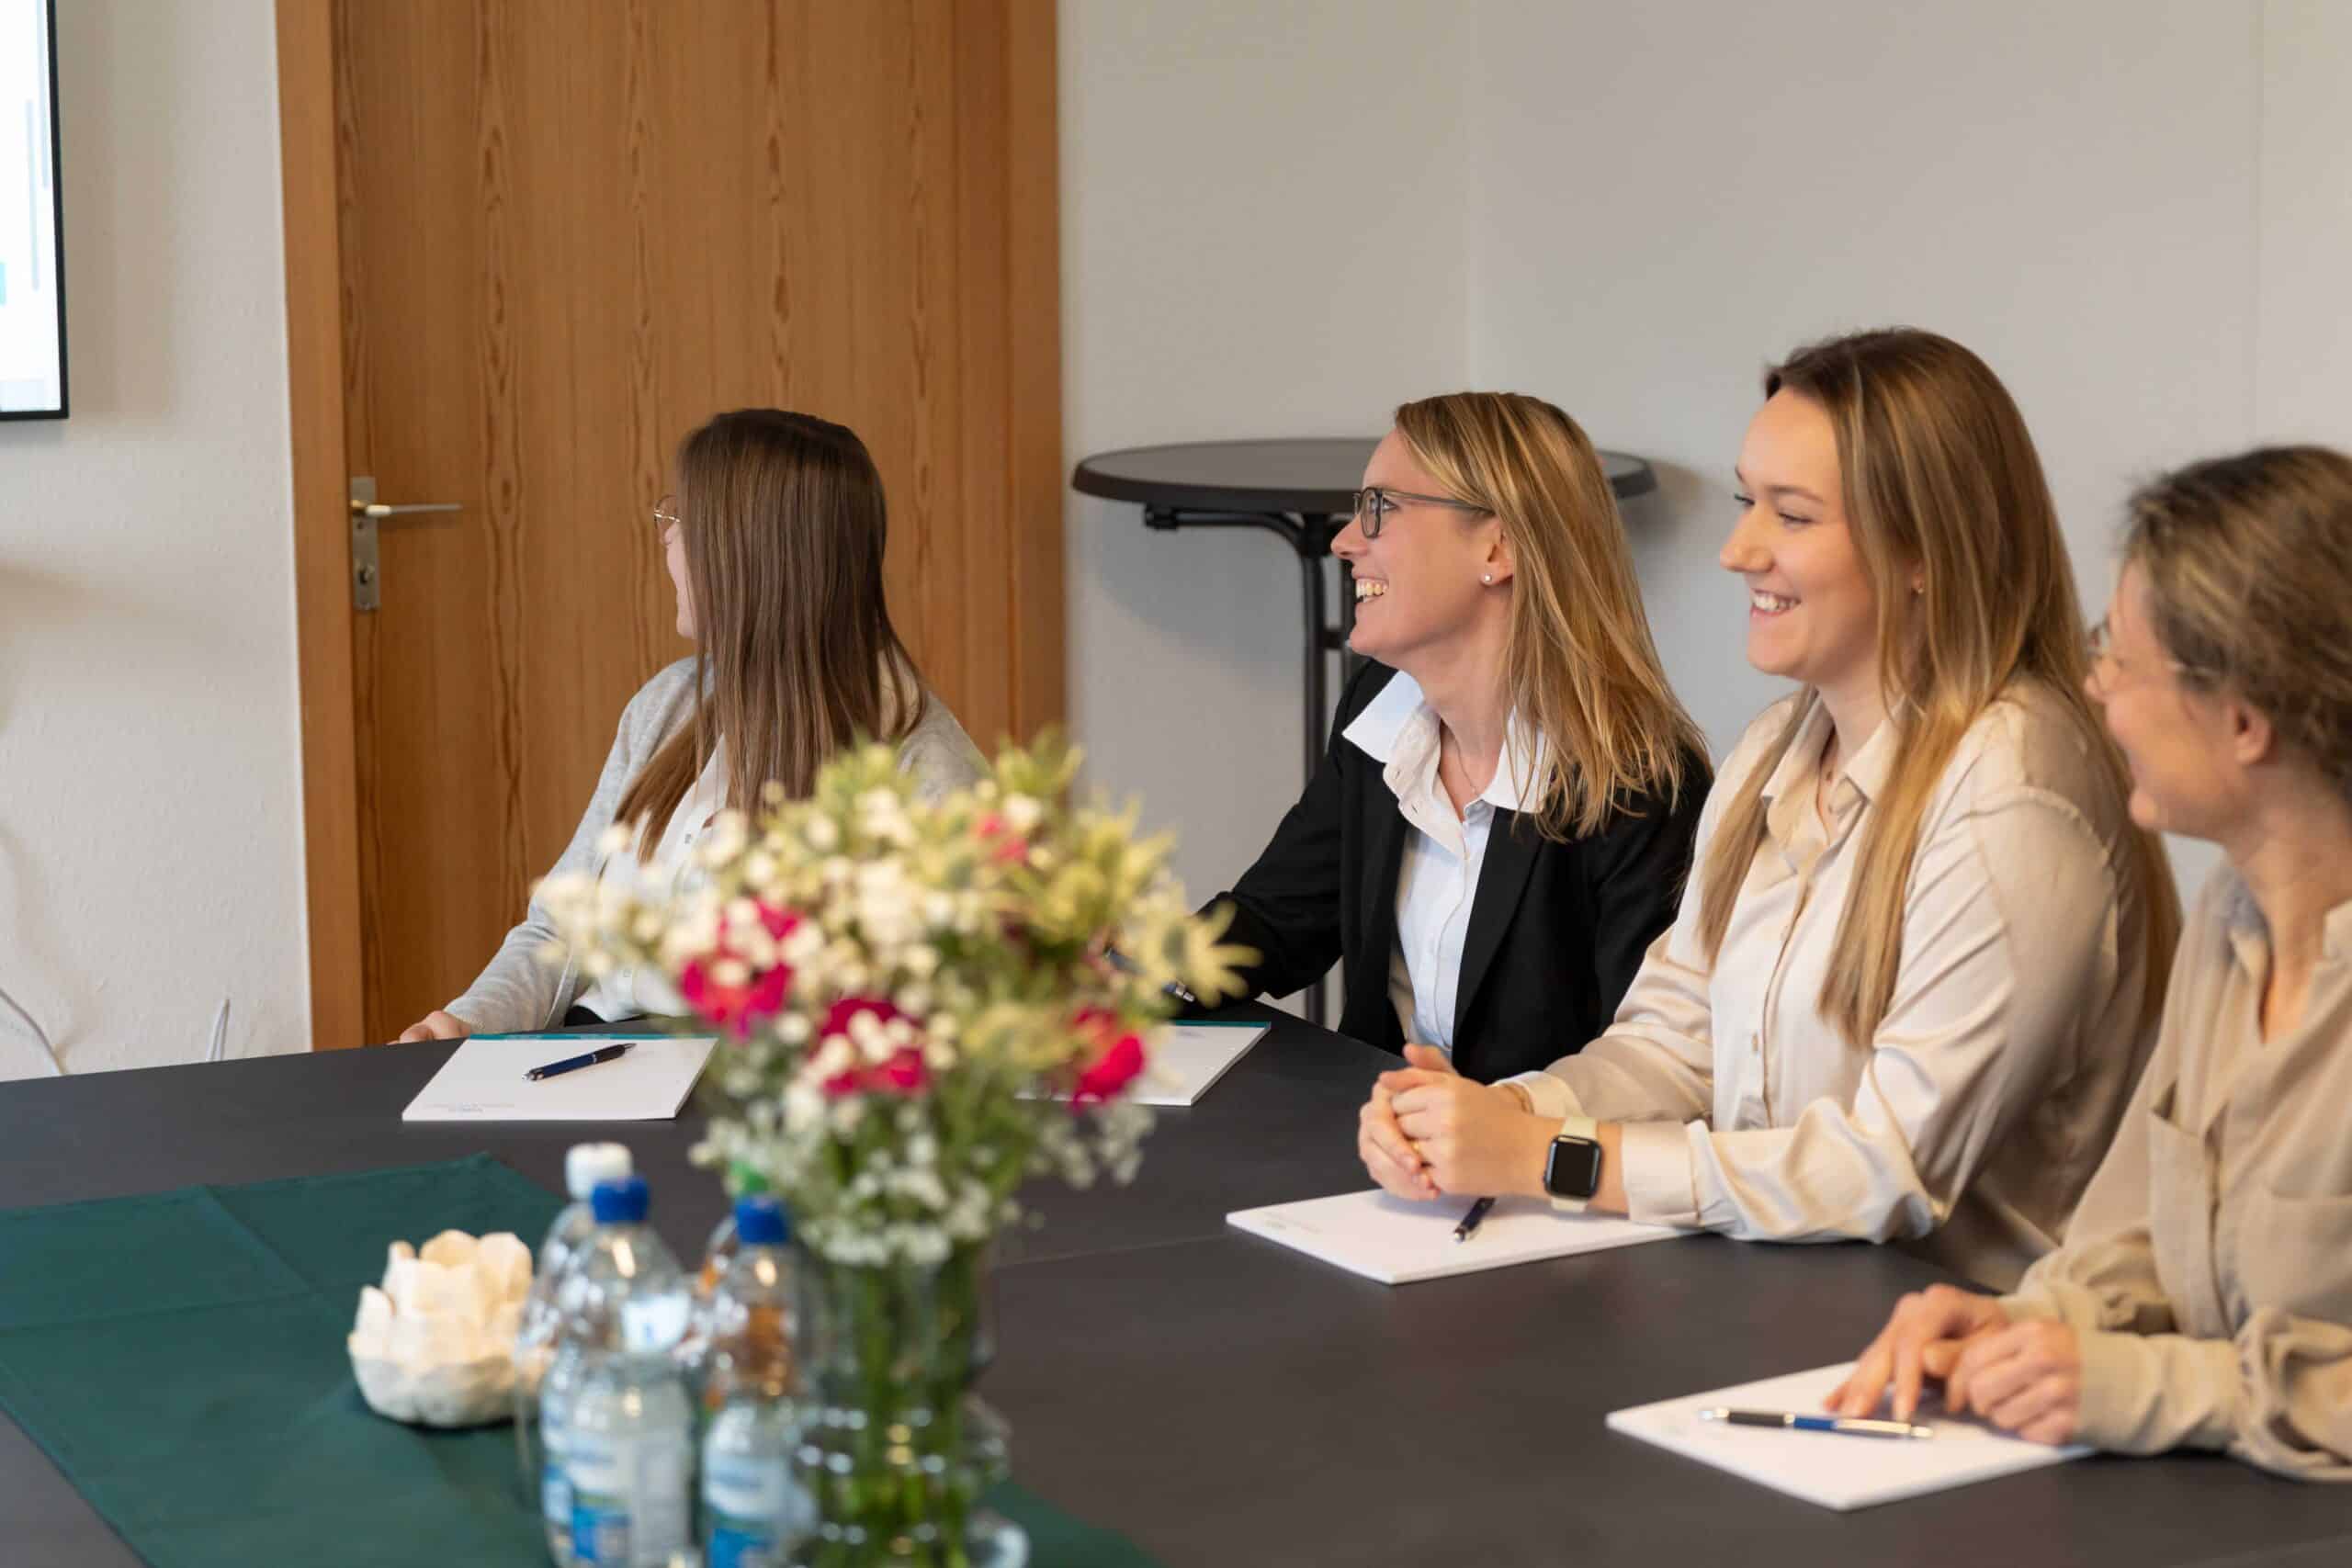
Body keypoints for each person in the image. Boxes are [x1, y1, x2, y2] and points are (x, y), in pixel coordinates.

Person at [1363, 329, 2178, 1290]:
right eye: (1747, 503)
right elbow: (1675, 1042)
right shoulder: (1772, 750)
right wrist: (1497, 1115)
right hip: (1790, 1295)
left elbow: (1885, 1170)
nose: (1736, 551)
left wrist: (1549, 1157)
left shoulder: (2013, 790)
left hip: (1969, 1339)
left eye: (1790, 516)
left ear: (1923, 548)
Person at [1828, 446, 2352, 1476]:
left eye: (2121, 658)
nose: (2094, 684)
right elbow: (2148, 1237)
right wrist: (2029, 1323)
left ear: (2243, 721)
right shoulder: (2231, 917)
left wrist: (2150, 1386)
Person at [397, 409, 985, 1042]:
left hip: (742, 1081)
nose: (667, 540)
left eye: (686, 521)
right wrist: (466, 1023)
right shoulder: (667, 704)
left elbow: (916, 1031)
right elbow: (560, 927)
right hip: (591, 1056)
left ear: (753, 553)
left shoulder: (923, 772)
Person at [1204, 392, 1711, 1083]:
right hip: (1375, 1134)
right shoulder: (1378, 712)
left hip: (1533, 1148)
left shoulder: (1641, 786)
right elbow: (1275, 922)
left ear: (1497, 547)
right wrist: (1119, 969)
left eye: (1380, 508)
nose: (1344, 541)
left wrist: (1495, 1125)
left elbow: (1647, 1064)